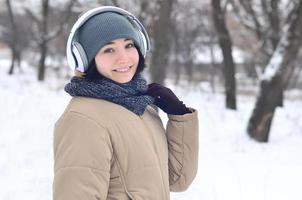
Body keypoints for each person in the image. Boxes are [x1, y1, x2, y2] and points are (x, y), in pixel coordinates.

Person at [53, 6, 199, 200]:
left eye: (129, 45)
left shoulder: (142, 108)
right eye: (109, 49)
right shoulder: (83, 120)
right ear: (86, 59)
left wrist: (179, 115)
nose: (123, 58)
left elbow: (177, 180)